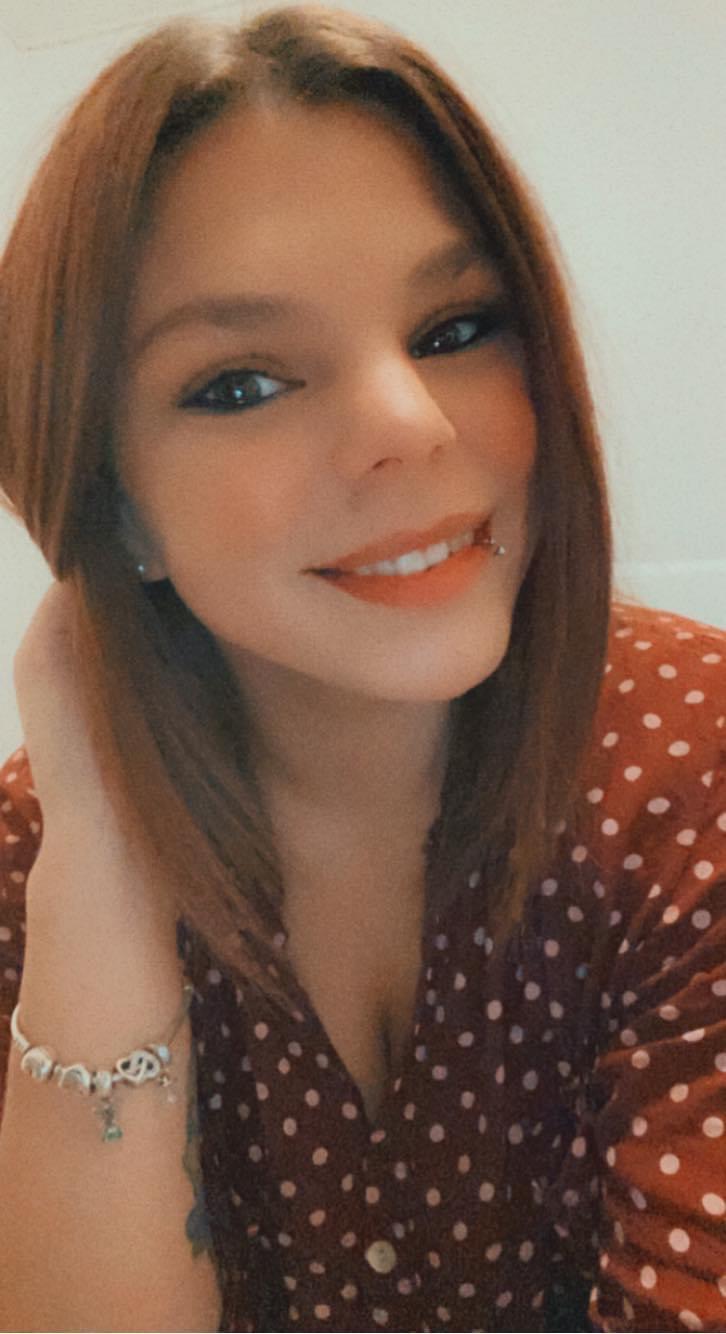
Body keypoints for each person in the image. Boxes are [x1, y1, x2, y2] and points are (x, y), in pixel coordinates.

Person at [0, 3, 723, 1330]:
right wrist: (96, 849)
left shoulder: (696, 764)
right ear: (108, 504)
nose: (409, 422)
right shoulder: (27, 853)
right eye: (240, 383)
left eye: (456, 327)